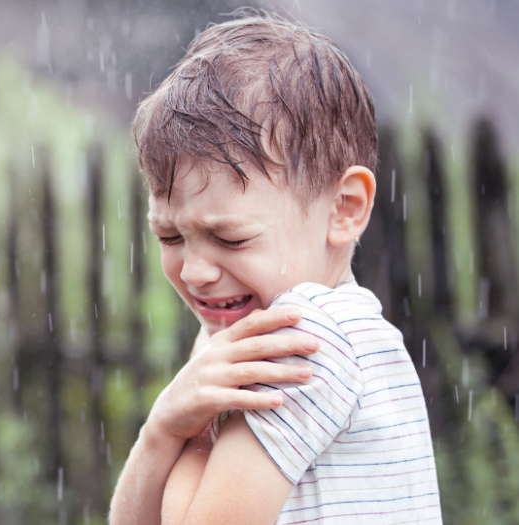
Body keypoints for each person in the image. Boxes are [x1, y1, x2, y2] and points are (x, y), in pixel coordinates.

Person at [109, 10, 442, 525]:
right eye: (169, 235)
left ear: (344, 208)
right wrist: (160, 429)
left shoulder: (305, 339)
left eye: (230, 237)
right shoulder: (335, 334)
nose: (195, 271)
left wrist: (188, 433)